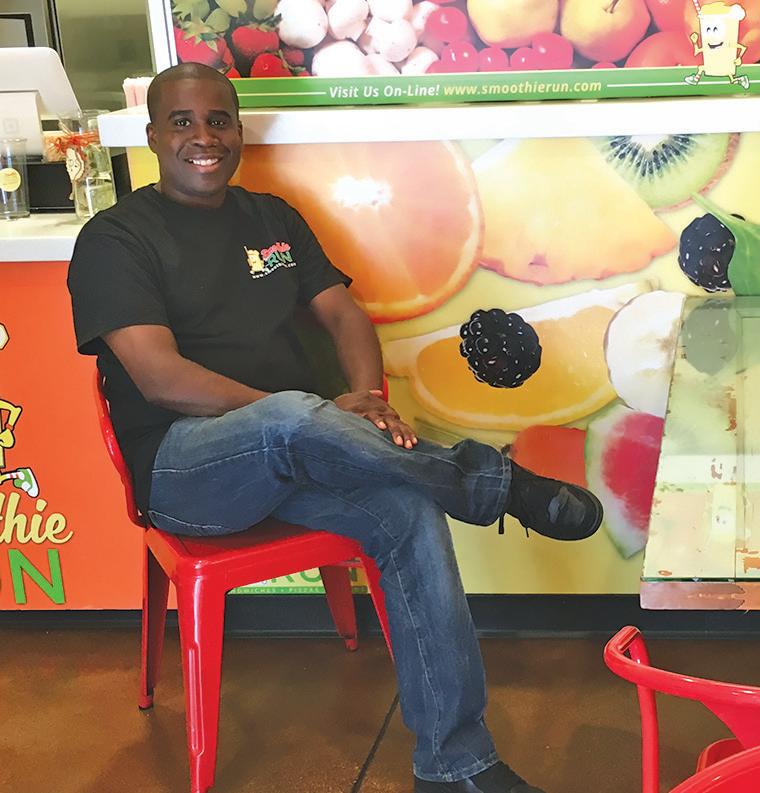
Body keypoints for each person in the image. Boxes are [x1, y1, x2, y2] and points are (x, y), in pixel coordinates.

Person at [67, 62, 603, 793]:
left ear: (239, 131)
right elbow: (161, 379)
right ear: (153, 135)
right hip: (186, 470)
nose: (204, 137)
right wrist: (303, 413)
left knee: (407, 508)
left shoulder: (272, 219)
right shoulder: (115, 238)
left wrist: (365, 398)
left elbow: (344, 315)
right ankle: (492, 484)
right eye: (182, 122)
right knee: (290, 414)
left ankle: (455, 766)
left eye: (219, 120)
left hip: (300, 450)